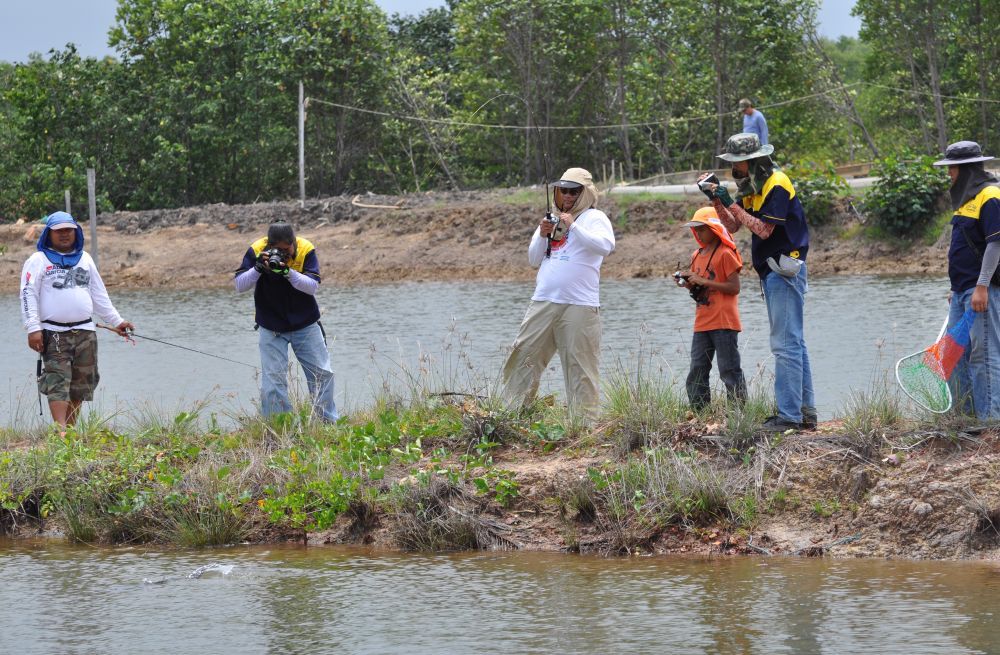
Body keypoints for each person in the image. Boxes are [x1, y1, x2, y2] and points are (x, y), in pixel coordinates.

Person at [700, 133, 816, 430]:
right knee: (794, 342)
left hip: (784, 269)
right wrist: (717, 199)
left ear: (749, 162)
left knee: (785, 344)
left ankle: (789, 416)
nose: (733, 172)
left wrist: (729, 201)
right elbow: (734, 225)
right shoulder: (753, 186)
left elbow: (763, 230)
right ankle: (805, 412)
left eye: (735, 166)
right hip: (773, 271)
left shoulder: (776, 183)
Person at [501, 167, 616, 419]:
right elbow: (533, 259)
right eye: (563, 190)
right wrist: (542, 235)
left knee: (580, 367)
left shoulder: (595, 218)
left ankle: (583, 426)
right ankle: (512, 416)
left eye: (574, 191)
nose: (567, 196)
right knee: (523, 355)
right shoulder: (550, 219)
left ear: (585, 193)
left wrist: (573, 226)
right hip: (543, 301)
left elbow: (606, 246)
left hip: (579, 305)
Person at [20, 211, 134, 427]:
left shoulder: (85, 259)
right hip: (53, 333)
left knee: (81, 383)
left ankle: (71, 431)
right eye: (59, 231)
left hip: (85, 332)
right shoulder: (38, 260)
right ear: (49, 234)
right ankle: (60, 431)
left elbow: (99, 295)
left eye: (68, 230)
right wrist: (33, 328)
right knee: (58, 380)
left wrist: (117, 322)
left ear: (76, 232)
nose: (64, 234)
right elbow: (27, 294)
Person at [234, 222, 338, 422]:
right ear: (269, 245)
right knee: (273, 381)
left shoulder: (305, 248)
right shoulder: (257, 249)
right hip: (271, 326)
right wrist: (257, 268)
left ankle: (327, 423)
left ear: (294, 242)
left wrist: (288, 272)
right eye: (278, 250)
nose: (284, 254)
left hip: (306, 324)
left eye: (287, 249)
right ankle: (279, 428)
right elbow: (239, 285)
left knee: (322, 374)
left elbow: (312, 287)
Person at [933, 140, 1000, 419]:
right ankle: (964, 419)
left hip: (980, 291)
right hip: (961, 291)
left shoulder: (990, 195)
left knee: (983, 356)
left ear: (966, 168)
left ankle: (990, 423)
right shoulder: (965, 199)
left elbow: (995, 245)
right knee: (954, 356)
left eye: (952, 169)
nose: (949, 174)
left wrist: (982, 286)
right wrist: (955, 287)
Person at [675, 206, 747, 410]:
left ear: (714, 229)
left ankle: (739, 416)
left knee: (729, 370)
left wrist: (703, 281)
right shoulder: (696, 255)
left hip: (724, 321)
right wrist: (689, 283)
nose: (698, 233)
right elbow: (700, 287)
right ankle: (700, 414)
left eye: (702, 228)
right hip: (702, 322)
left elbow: (734, 288)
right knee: (697, 370)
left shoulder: (725, 253)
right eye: (696, 229)